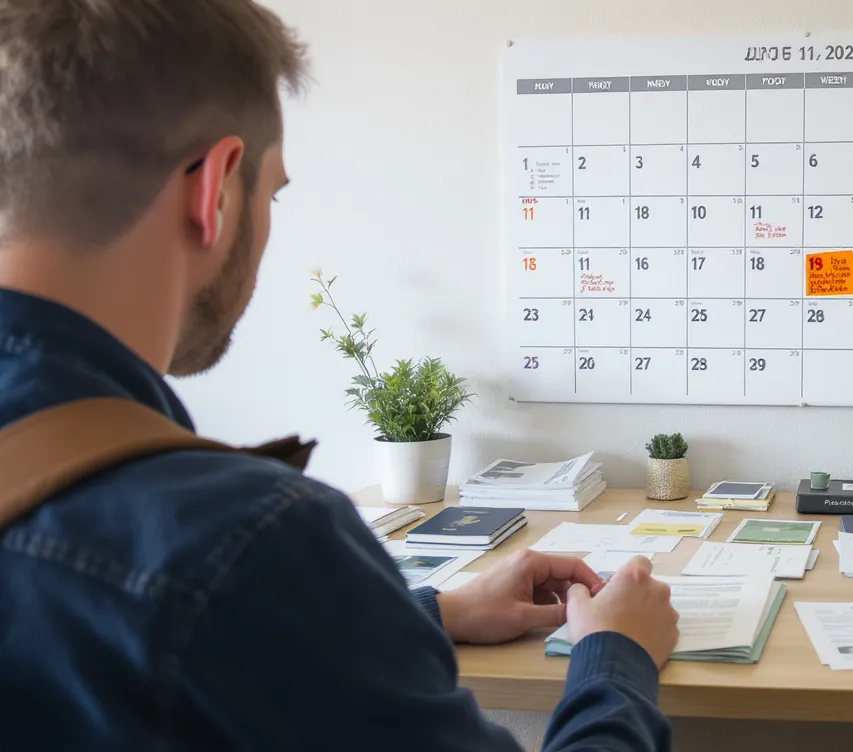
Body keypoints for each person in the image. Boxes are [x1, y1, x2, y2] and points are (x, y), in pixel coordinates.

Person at [0, 1, 679, 749]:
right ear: (215, 191)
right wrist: (617, 654)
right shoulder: (245, 541)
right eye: (272, 193)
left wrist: (432, 611)